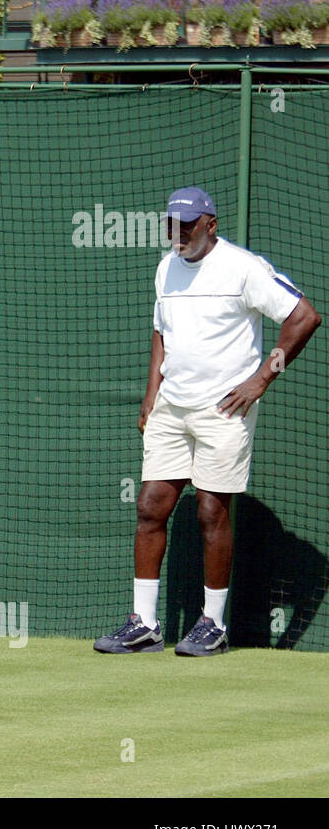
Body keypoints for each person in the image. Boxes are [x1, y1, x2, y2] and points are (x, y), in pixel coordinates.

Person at [96, 187, 321, 656]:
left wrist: (262, 379)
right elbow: (162, 332)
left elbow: (303, 317)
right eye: (171, 227)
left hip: (224, 411)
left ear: (210, 225)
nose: (177, 236)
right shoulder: (165, 267)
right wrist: (151, 395)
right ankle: (145, 625)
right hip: (170, 409)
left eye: (186, 227)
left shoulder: (244, 268)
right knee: (150, 507)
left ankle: (213, 626)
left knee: (210, 512)